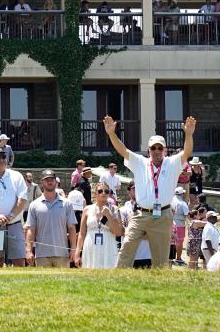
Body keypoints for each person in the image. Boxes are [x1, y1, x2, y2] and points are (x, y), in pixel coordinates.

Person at [103, 114, 196, 269]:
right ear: (149, 150)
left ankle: (160, 286)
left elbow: (187, 152)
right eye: (153, 148)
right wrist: (111, 133)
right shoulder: (141, 162)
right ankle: (117, 279)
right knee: (127, 248)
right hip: (141, 214)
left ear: (165, 150)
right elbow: (123, 151)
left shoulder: (172, 163)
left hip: (163, 215)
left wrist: (188, 134)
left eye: (160, 148)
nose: (157, 151)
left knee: (161, 260)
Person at [25, 169, 77, 268]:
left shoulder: (67, 203)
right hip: (41, 255)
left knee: (64, 283)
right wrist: (28, 251)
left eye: (52, 179)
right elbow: (31, 230)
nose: (50, 182)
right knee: (42, 283)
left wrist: (73, 249)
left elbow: (72, 228)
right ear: (42, 182)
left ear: (56, 182)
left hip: (62, 254)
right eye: (47, 179)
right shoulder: (34, 205)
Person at [74, 181, 124, 269]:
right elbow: (81, 233)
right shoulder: (87, 209)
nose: (103, 193)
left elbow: (118, 233)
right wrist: (77, 252)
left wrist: (108, 215)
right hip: (90, 245)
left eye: (106, 191)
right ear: (95, 193)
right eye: (100, 191)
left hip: (108, 245)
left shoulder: (114, 210)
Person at [171, 186, 190, 263]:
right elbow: (187, 215)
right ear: (182, 194)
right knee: (180, 242)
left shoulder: (170, 200)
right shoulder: (182, 203)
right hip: (179, 224)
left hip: (170, 223)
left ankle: (169, 257)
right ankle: (178, 258)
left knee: (170, 242)